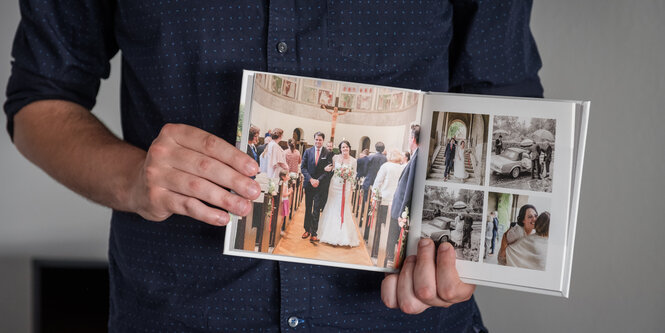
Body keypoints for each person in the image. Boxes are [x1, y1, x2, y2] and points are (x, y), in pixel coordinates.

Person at [5, 0, 543, 330]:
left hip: (402, 321)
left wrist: (462, 259)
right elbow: (40, 99)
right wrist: (131, 178)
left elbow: (502, 100)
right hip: (174, 314)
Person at [386, 125, 420, 267]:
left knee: (396, 240)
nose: (408, 140)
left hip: (401, 209)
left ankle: (391, 261)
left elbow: (409, 187)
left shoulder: (417, 156)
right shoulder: (415, 155)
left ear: (413, 138)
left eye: (408, 137)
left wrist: (402, 213)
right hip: (399, 206)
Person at [318, 140, 359, 247]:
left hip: (345, 186)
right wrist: (325, 169)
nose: (345, 149)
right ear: (340, 149)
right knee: (332, 205)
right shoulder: (335, 157)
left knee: (343, 206)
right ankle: (329, 232)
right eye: (343, 147)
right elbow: (330, 168)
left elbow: (354, 174)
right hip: (335, 185)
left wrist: (349, 178)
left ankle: (343, 233)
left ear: (349, 148)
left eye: (346, 147)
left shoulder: (354, 161)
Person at [300, 132, 333, 242]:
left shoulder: (327, 153)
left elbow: (328, 170)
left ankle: (314, 232)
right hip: (309, 184)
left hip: (320, 185)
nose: (318, 141)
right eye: (316, 139)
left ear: (323, 141)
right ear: (314, 140)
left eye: (320, 140)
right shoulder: (308, 151)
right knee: (308, 207)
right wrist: (310, 179)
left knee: (316, 209)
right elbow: (303, 168)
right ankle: (307, 230)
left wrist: (318, 180)